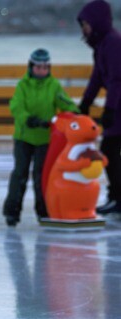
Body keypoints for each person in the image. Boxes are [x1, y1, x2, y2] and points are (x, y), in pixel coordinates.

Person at [2, 48, 79, 227]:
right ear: (31, 67)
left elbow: (65, 102)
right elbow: (16, 106)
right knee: (20, 174)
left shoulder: (54, 85)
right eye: (38, 67)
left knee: (42, 176)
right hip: (24, 137)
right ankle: (12, 212)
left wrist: (77, 113)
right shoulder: (23, 85)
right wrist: (29, 119)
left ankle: (44, 211)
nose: (42, 70)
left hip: (45, 140)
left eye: (45, 67)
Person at [77, 0, 121, 215]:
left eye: (85, 24)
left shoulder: (113, 42)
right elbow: (97, 78)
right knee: (110, 150)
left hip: (119, 104)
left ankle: (117, 198)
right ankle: (117, 197)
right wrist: (85, 103)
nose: (84, 29)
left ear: (96, 22)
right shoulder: (102, 44)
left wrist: (110, 110)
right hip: (118, 104)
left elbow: (116, 80)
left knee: (110, 150)